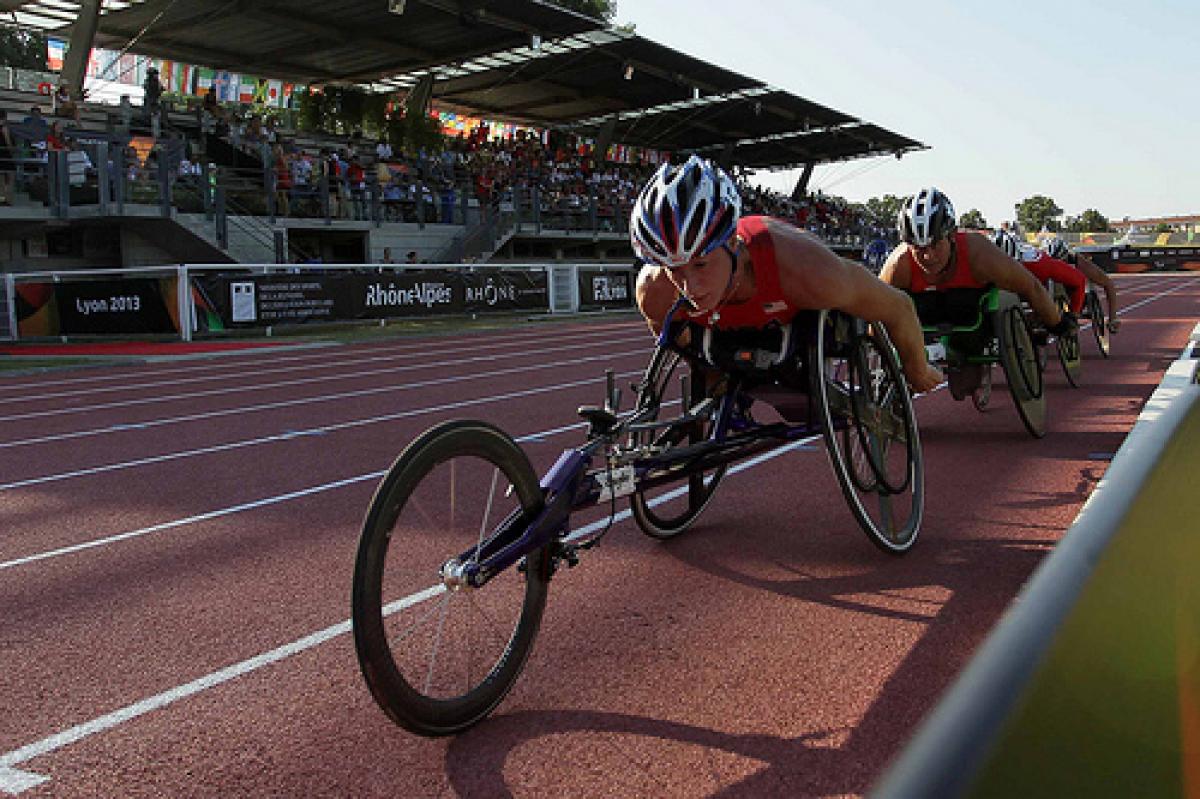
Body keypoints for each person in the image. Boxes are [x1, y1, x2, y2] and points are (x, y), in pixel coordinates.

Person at [633, 156, 944, 393]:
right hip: (723, 334)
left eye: (701, 264)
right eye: (674, 270)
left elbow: (898, 307)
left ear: (731, 241)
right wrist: (706, 370)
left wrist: (917, 370)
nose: (690, 287)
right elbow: (680, 339)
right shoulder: (655, 290)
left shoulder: (807, 271)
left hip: (793, 317)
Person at [879, 188, 1074, 338]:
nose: (928, 256)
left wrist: (1057, 324)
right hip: (925, 318)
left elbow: (1031, 287)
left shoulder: (980, 254)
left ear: (952, 236)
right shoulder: (898, 265)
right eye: (918, 249)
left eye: (935, 244)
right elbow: (873, 314)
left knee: (967, 382)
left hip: (973, 315)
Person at [1044, 237, 1120, 332]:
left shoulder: (1080, 263)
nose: (1059, 268)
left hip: (1078, 285)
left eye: (1062, 263)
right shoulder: (1042, 264)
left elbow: (1108, 284)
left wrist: (1113, 317)